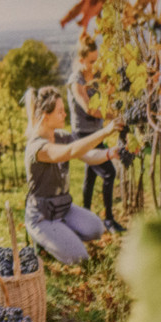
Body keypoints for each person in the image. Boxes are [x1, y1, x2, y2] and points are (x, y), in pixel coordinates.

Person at [24, 86, 120, 264]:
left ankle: (60, 234)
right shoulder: (37, 147)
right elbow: (69, 151)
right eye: (60, 111)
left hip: (64, 209)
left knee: (97, 228)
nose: (65, 114)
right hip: (42, 216)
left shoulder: (62, 136)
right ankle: (44, 240)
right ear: (46, 116)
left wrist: (109, 153)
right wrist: (105, 131)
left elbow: (88, 155)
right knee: (80, 258)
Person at [68, 35, 123, 233]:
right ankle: (109, 220)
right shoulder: (76, 82)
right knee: (109, 173)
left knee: (90, 177)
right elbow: (89, 109)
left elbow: (110, 89)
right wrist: (114, 115)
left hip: (96, 134)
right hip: (83, 136)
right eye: (91, 61)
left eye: (96, 60)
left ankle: (85, 218)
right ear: (81, 60)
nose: (95, 65)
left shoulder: (97, 74)